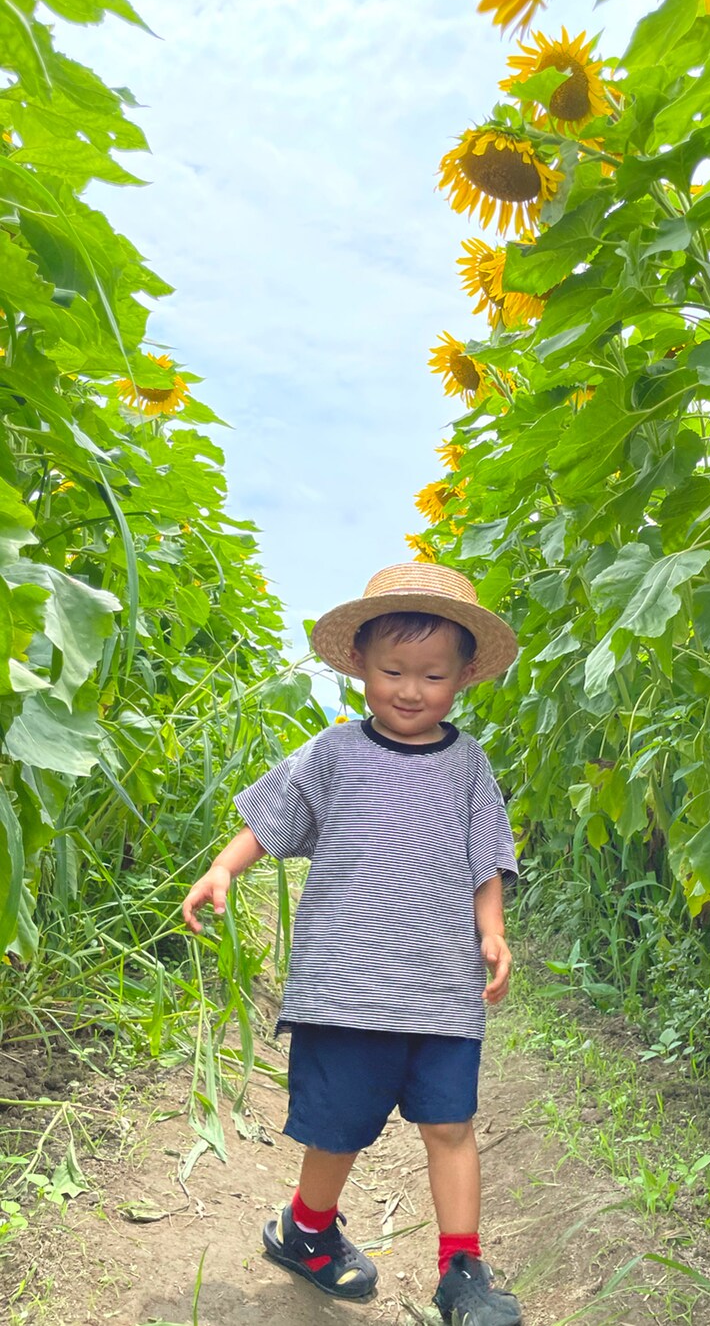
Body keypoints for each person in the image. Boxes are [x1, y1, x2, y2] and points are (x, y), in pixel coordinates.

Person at [181, 562, 523, 1326]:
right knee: (338, 1126)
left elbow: (487, 860)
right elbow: (271, 817)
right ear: (360, 664)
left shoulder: (468, 764)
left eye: (432, 675)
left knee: (451, 1124)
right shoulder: (334, 753)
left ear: (464, 675)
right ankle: (305, 1230)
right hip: (346, 986)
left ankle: (462, 1269)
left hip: (442, 988)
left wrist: (493, 932)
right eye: (393, 671)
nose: (411, 690)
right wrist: (223, 868)